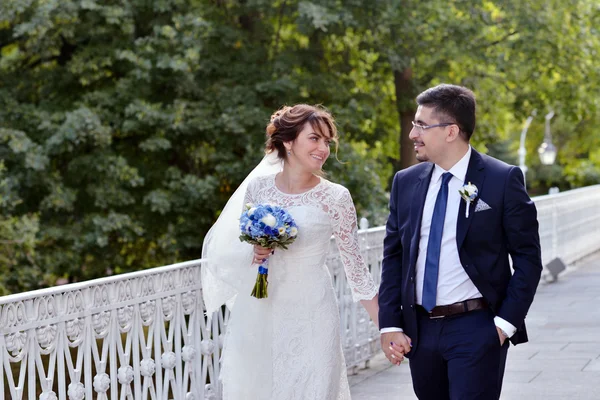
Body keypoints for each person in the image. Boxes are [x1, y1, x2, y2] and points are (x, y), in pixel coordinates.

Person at [202, 104, 379, 400]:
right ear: (287, 142)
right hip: (262, 309)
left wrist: (387, 327)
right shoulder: (258, 188)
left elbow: (356, 270)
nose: (323, 148)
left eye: (327, 141)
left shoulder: (336, 197)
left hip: (314, 312)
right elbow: (238, 252)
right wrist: (256, 252)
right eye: (314, 138)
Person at [378, 84, 542, 399]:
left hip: (476, 328)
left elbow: (528, 259)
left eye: (421, 125)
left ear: (451, 131)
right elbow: (394, 257)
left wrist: (503, 325)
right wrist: (390, 323)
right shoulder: (405, 182)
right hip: (420, 331)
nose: (413, 133)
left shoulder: (502, 179)